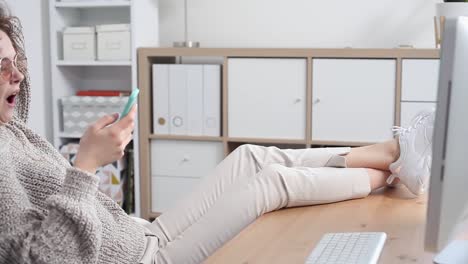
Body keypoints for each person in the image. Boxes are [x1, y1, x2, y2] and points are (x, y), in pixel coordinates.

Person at [0, 6, 435, 264]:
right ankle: (396, 164)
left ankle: (394, 154)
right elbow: (44, 257)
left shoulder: (13, 129)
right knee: (272, 184)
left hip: (145, 233)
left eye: (16, 59)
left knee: (248, 156)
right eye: (2, 65)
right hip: (147, 260)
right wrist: (87, 165)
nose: (17, 73)